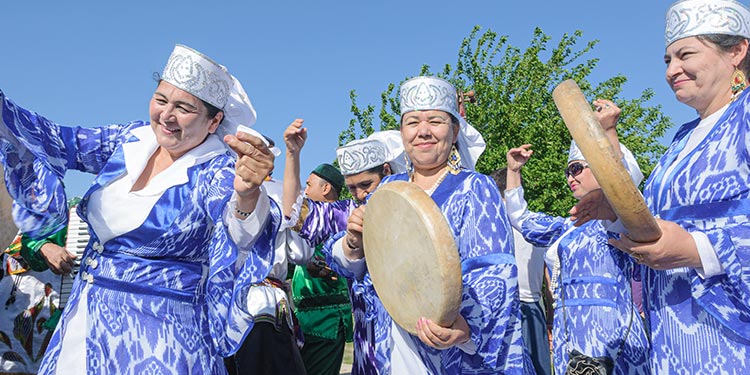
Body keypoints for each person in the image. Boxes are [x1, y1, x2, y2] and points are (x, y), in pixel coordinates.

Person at [0, 44, 281, 374]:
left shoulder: (216, 169)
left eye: (183, 108)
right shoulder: (130, 138)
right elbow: (59, 140)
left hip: (164, 335)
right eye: (161, 100)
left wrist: (248, 195)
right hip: (86, 320)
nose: (166, 116)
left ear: (213, 120)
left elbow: (239, 232)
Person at [570, 0, 750, 372]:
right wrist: (617, 211)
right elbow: (655, 225)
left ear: (736, 50)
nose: (672, 70)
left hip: (731, 337)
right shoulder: (683, 138)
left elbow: (693, 238)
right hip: (671, 335)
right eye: (667, 60)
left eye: (685, 55)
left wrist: (699, 249)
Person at [328, 76, 530, 374]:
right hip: (395, 346)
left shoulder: (476, 188)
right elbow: (360, 269)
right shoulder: (388, 189)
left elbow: (495, 273)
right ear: (402, 132)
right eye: (412, 123)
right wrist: (353, 244)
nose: (423, 131)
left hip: (454, 349)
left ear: (455, 129)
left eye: (435, 121)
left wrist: (464, 327)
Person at [506, 100, 650, 375]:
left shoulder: (618, 220)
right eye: (567, 171)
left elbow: (624, 188)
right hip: (568, 334)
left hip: (611, 335)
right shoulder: (567, 227)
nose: (570, 177)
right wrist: (514, 171)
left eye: (577, 168)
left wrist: (608, 131)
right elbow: (521, 219)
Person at [282, 119, 406, 375]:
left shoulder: (412, 208)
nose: (359, 194)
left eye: (366, 185)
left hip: (409, 324)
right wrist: (293, 154)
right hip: (367, 334)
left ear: (387, 172)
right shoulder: (349, 212)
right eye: (352, 188)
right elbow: (294, 214)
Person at [288, 163, 353, 375]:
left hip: (327, 321)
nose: (305, 191)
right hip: (303, 321)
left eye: (309, 184)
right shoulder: (310, 219)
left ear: (326, 188)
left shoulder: (345, 217)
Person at [490, 167, 552, 375]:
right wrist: (550, 317)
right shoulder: (537, 223)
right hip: (535, 307)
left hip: (504, 310)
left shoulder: (491, 225)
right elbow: (548, 278)